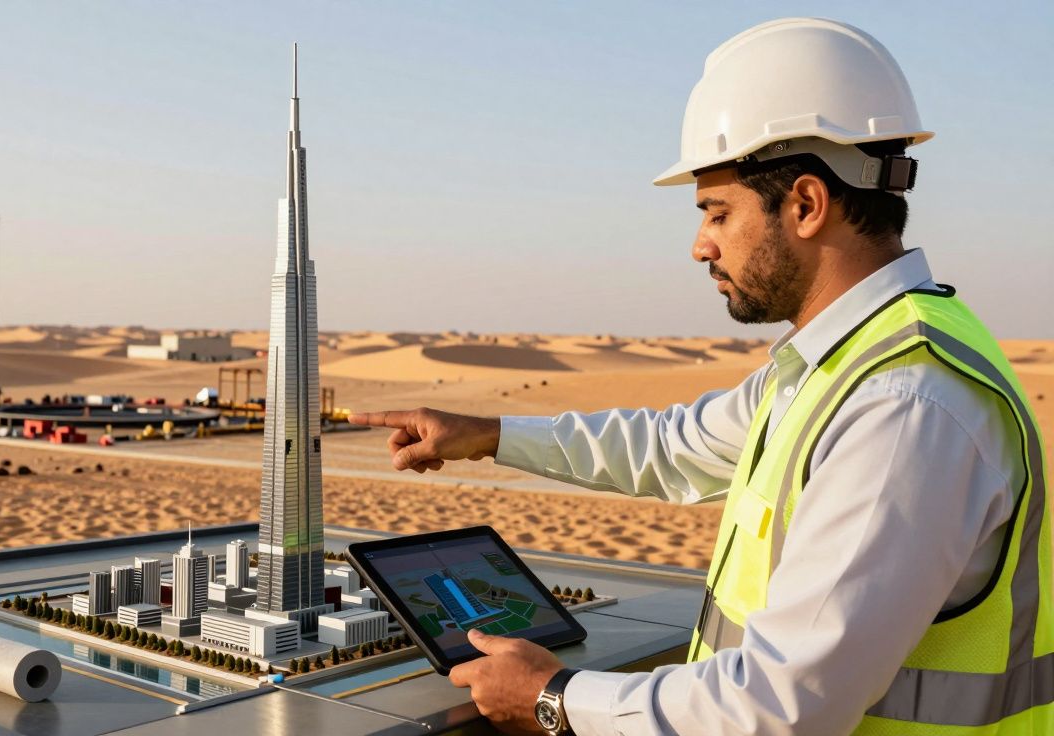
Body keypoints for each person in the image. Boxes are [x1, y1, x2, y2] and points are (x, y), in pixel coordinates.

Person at [349, 18, 1050, 736]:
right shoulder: (831, 368)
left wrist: (554, 698)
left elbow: (778, 708)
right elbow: (672, 446)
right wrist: (488, 435)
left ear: (805, 205)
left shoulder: (903, 407)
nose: (699, 244)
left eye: (717, 212)